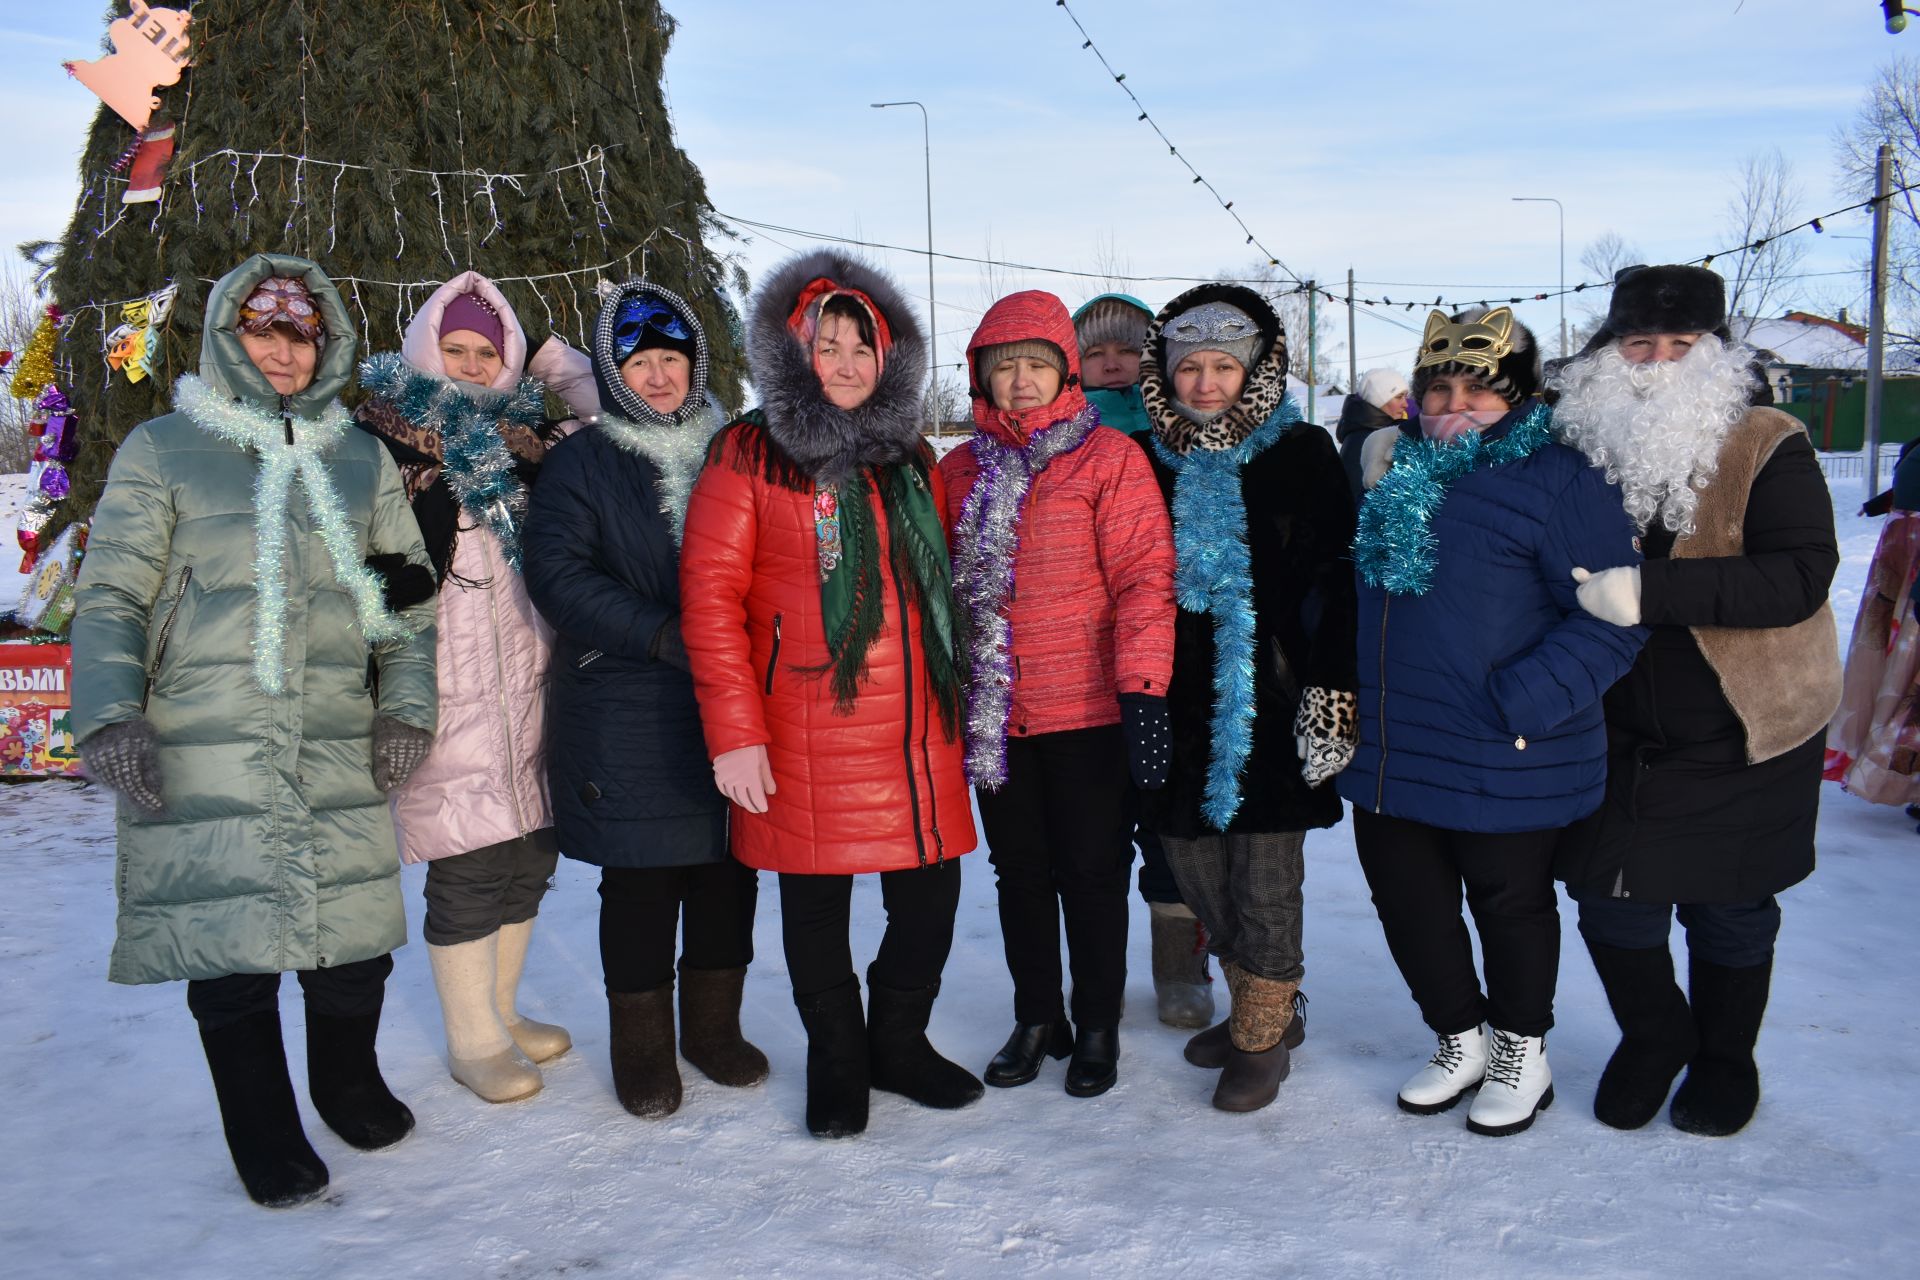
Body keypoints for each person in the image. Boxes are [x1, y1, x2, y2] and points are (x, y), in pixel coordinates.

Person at [72, 253, 439, 1206]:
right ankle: (263, 1129)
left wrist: (405, 703)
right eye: (263, 328)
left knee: (355, 943)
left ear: (327, 344)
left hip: (331, 735)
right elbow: (110, 594)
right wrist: (111, 712)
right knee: (228, 948)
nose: (282, 347)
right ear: (229, 335)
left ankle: (346, 1083)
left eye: (302, 331)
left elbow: (409, 598)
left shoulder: (360, 457)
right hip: (205, 736)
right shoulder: (161, 448)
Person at [678, 250, 981, 1138]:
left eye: (862, 346)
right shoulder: (747, 455)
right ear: (794, 353)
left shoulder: (911, 456)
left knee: (928, 903)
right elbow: (710, 597)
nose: (846, 363)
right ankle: (839, 1058)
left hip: (917, 725)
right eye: (828, 344)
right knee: (817, 907)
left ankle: (897, 1040)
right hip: (799, 724)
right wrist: (735, 734)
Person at [1552, 265, 1841, 1137]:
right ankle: (1657, 1035)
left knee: (1732, 906)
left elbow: (1798, 575)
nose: (1660, 361)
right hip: (1613, 725)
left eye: (1683, 345)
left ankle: (1724, 1058)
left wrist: (1651, 593)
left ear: (1716, 354)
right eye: (1641, 343)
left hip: (1746, 724)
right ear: (1611, 353)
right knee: (1609, 896)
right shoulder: (1580, 442)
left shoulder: (1765, 439)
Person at [1342, 307, 1644, 1137]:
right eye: (1439, 388)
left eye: (1477, 390)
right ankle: (1459, 1037)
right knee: (1410, 905)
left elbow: (1614, 617)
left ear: (1516, 397)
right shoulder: (1389, 471)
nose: (1454, 404)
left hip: (1507, 746)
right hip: (1397, 747)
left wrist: (1525, 702)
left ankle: (1521, 1048)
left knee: (1508, 906)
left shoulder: (1560, 478)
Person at [522, 281, 766, 1120]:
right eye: (639, 361)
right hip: (628, 701)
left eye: (672, 358)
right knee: (642, 883)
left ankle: (712, 1031)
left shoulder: (736, 447)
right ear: (612, 370)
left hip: (735, 701)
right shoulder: (583, 460)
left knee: (728, 873)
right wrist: (664, 634)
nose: (658, 376)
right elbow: (558, 575)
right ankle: (643, 1051)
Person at [1130, 284, 1358, 1113]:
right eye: (1189, 366)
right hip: (1173, 699)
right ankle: (1260, 1000)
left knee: (1265, 876)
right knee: (1193, 867)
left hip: (1271, 694)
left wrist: (1328, 690)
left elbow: (1335, 580)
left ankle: (1262, 1037)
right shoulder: (1147, 456)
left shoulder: (1299, 451)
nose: (1205, 383)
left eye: (1224, 365)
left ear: (1256, 369)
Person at [942, 290, 1175, 1097]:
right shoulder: (959, 469)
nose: (1020, 383)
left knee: (1094, 871)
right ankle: (1038, 1014)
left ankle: (1098, 1022)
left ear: (1065, 374)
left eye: (1036, 366)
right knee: (1022, 873)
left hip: (1090, 712)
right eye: (1004, 369)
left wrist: (1144, 689)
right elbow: (935, 590)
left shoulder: (1108, 459)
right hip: (996, 717)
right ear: (981, 378)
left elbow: (1146, 579)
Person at [352, 272, 572, 1105]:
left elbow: (609, 423)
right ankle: (472, 1040)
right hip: (443, 682)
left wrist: (564, 371)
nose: (475, 366)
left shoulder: (531, 447)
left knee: (530, 854)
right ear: (423, 349)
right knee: (469, 859)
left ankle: (502, 1012)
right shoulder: (382, 442)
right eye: (457, 349)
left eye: (490, 352)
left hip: (530, 680)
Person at [1074, 290, 1215, 1028]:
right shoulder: (1058, 442)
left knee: (1170, 821)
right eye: (1094, 351)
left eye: (1126, 349)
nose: (1111, 363)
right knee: (1098, 828)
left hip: (1171, 660)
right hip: (1079, 668)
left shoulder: (1185, 437)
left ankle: (1179, 968)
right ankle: (1094, 977)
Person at [1335, 368, 1410, 500]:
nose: (1405, 404)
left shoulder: (1370, 431)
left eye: (1405, 396)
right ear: (1378, 400)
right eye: (1398, 397)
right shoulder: (1363, 439)